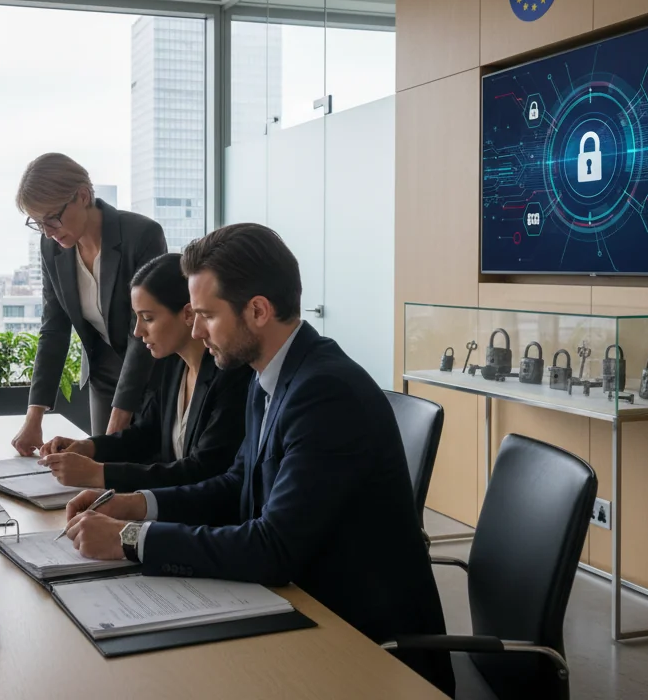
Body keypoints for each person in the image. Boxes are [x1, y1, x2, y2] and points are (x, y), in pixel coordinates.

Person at [61, 223, 454, 695]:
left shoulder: (324, 393)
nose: (196, 328)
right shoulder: (268, 375)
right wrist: (136, 504)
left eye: (206, 314)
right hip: (300, 606)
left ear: (258, 311)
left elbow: (272, 548)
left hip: (365, 645)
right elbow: (237, 485)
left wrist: (130, 539)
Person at [37, 253, 251, 491]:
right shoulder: (172, 366)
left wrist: (101, 474)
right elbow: (145, 435)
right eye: (136, 319)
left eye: (147, 318)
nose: (138, 332)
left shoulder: (232, 375)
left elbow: (203, 469)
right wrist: (89, 447)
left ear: (188, 314)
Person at [10, 153, 167, 451]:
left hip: (153, 374)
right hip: (103, 374)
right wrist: (34, 417)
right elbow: (54, 328)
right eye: (38, 223)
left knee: (144, 474)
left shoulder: (142, 235)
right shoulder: (51, 248)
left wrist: (117, 424)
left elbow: (143, 328)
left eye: (52, 219)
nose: (47, 232)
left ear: (82, 196)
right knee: (101, 480)